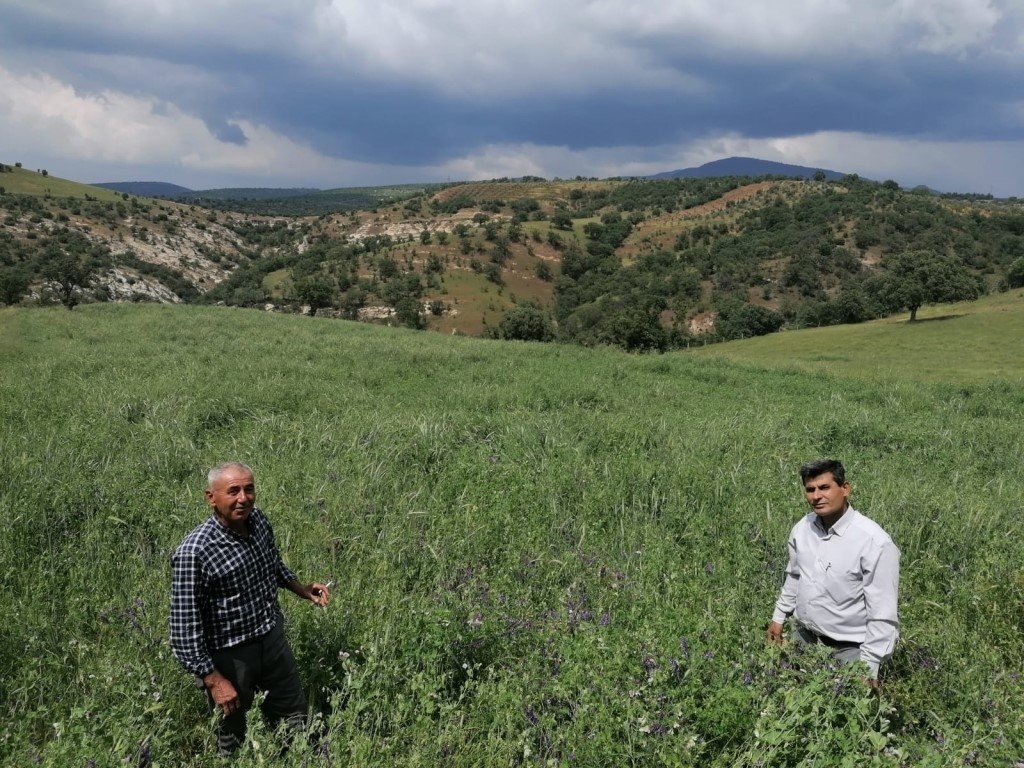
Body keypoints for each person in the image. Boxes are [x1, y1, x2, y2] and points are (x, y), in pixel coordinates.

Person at [170, 462, 330, 755]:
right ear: (211, 498)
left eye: (249, 489)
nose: (243, 498)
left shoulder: (258, 522)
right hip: (231, 660)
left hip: (272, 642)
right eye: (233, 491)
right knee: (232, 739)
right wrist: (214, 679)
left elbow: (273, 565)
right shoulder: (194, 552)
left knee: (296, 723)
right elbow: (183, 631)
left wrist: (300, 588)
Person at [767, 459, 899, 688]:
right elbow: (795, 576)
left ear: (845, 489)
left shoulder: (873, 542)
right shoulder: (803, 528)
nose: (816, 496)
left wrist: (869, 666)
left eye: (824, 487)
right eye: (810, 490)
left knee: (844, 718)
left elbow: (882, 613)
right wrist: (778, 618)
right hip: (804, 641)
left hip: (849, 652)